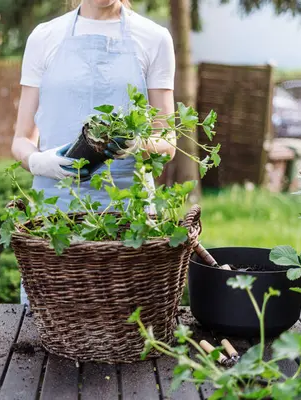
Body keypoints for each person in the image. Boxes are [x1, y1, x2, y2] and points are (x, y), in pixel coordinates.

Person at [11, 0, 177, 305]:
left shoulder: (154, 38)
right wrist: (39, 161)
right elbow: (21, 138)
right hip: (55, 217)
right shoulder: (44, 37)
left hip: (129, 216)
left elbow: (167, 141)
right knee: (52, 321)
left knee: (128, 319)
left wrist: (137, 146)